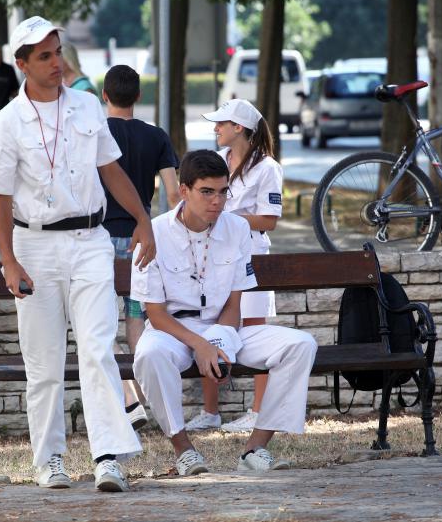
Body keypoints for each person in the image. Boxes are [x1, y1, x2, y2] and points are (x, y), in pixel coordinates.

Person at [0, 16, 156, 493]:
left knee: (98, 350)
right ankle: (51, 459)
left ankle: (107, 457)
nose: (57, 63)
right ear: (22, 65)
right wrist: (9, 262)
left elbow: (111, 169)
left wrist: (142, 219)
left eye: (58, 51)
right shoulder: (4, 124)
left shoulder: (86, 105)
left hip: (91, 241)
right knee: (44, 363)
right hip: (33, 245)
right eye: (45, 56)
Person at [131, 149, 317, 475]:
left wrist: (217, 340)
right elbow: (156, 314)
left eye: (222, 192)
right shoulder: (155, 233)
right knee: (148, 355)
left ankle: (255, 449)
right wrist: (200, 345)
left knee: (301, 344)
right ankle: (184, 449)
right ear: (184, 191)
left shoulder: (237, 229)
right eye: (207, 192)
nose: (217, 201)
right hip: (171, 331)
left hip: (225, 328)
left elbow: (234, 304)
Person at [185, 99, 283, 433]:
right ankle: (210, 412)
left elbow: (269, 220)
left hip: (253, 257)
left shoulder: (267, 168)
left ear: (238, 128)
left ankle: (258, 412)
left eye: (221, 124)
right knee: (210, 326)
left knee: (255, 330)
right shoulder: (219, 162)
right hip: (214, 254)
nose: (216, 129)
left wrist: (229, 218)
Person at [102, 64, 180, 429]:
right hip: (143, 239)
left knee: (99, 324)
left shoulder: (95, 134)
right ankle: (143, 400)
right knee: (137, 317)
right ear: (138, 96)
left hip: (99, 238)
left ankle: (130, 400)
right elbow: (175, 192)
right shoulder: (157, 136)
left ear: (104, 96)